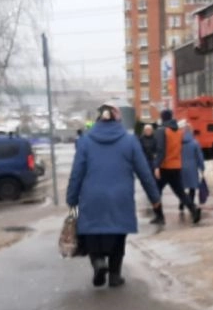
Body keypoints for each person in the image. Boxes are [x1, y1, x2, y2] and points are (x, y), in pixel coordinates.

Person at [67, 102, 161, 288]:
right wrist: (154, 197)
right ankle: (115, 276)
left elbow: (77, 172)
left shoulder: (85, 141)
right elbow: (143, 172)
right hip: (120, 197)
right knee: (118, 235)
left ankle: (98, 263)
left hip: (92, 196)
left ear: (98, 119)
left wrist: (72, 198)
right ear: (118, 119)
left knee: (93, 232)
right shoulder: (130, 141)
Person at [152, 109, 202, 225]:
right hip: (176, 166)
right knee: (180, 192)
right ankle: (194, 210)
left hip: (165, 167)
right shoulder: (178, 132)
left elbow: (161, 150)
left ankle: (159, 216)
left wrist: (156, 166)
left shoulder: (162, 131)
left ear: (163, 118)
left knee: (155, 191)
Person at [178, 126, 206, 211]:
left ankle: (182, 202)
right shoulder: (195, 143)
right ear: (191, 132)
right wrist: (202, 167)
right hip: (192, 168)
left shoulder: (179, 142)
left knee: (181, 186)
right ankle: (190, 203)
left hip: (180, 167)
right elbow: (199, 156)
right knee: (192, 187)